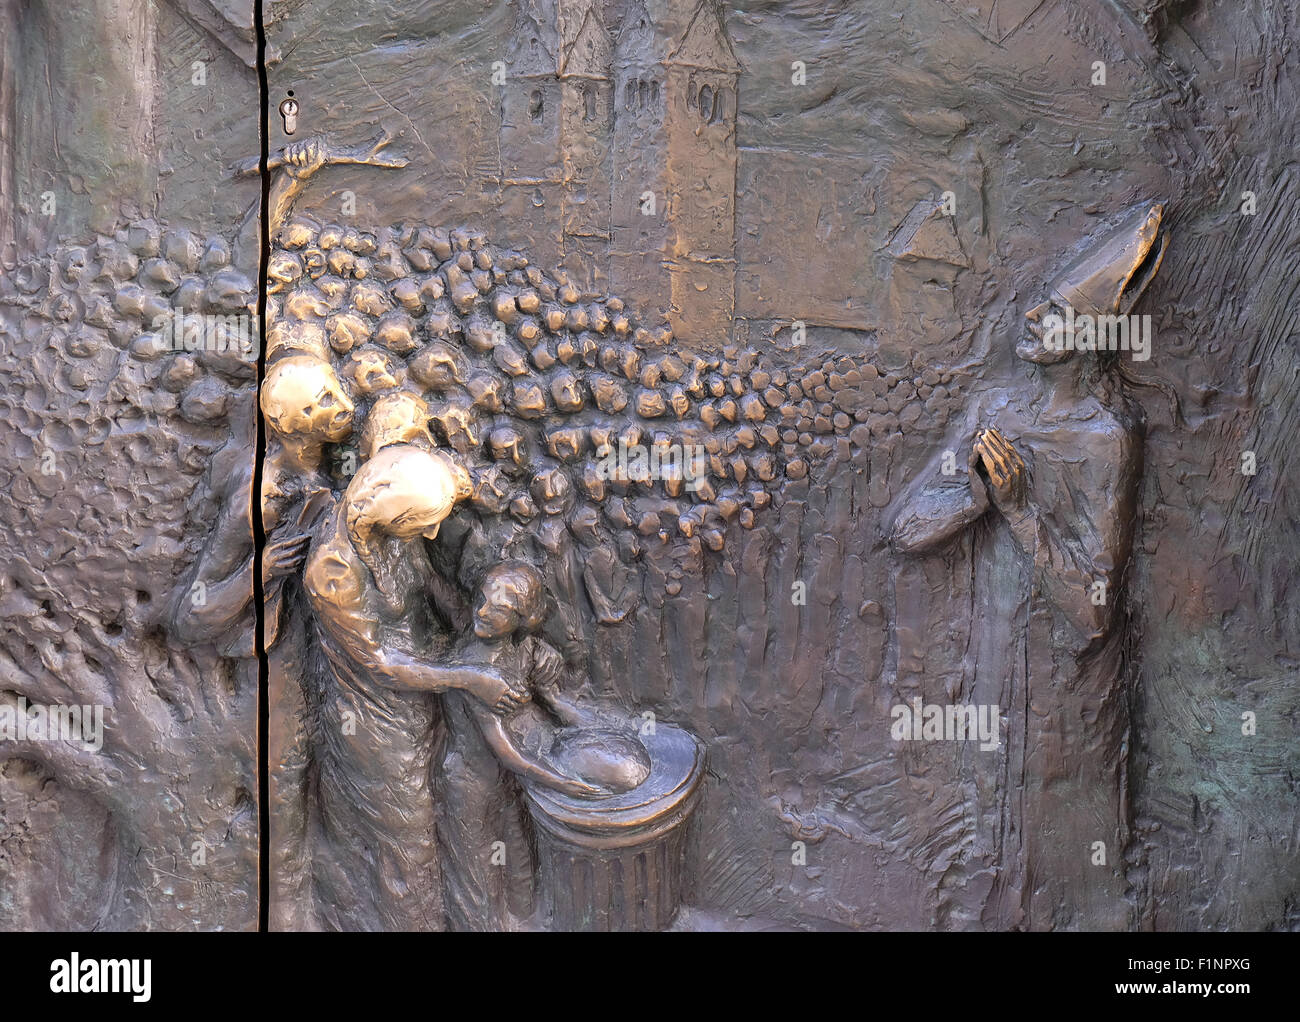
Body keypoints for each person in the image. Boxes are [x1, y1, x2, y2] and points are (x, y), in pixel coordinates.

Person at [301, 443, 527, 930]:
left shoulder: (393, 533)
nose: (430, 532)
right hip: (376, 722)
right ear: (391, 509)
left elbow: (428, 583)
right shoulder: (333, 569)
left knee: (444, 823)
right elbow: (379, 663)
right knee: (409, 846)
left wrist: (481, 627)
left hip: (427, 696)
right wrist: (470, 678)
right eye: (421, 521)